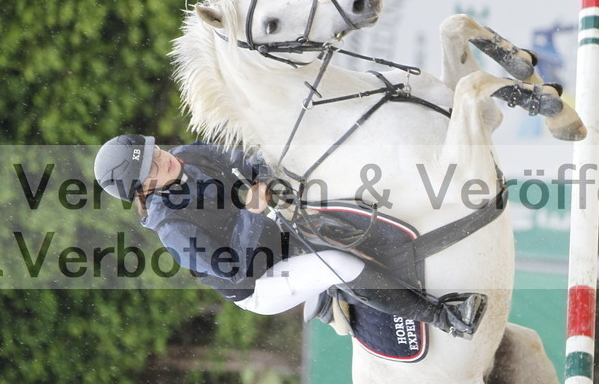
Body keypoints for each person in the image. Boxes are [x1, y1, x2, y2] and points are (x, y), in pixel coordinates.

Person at [93, 135, 487, 338]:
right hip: (258, 284)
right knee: (340, 264)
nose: (162, 156)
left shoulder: (187, 155)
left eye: (153, 150)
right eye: (151, 165)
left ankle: (331, 299)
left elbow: (241, 157)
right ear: (142, 190)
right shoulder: (172, 230)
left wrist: (260, 173)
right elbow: (235, 269)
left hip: (274, 233)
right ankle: (446, 318)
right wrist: (252, 211)